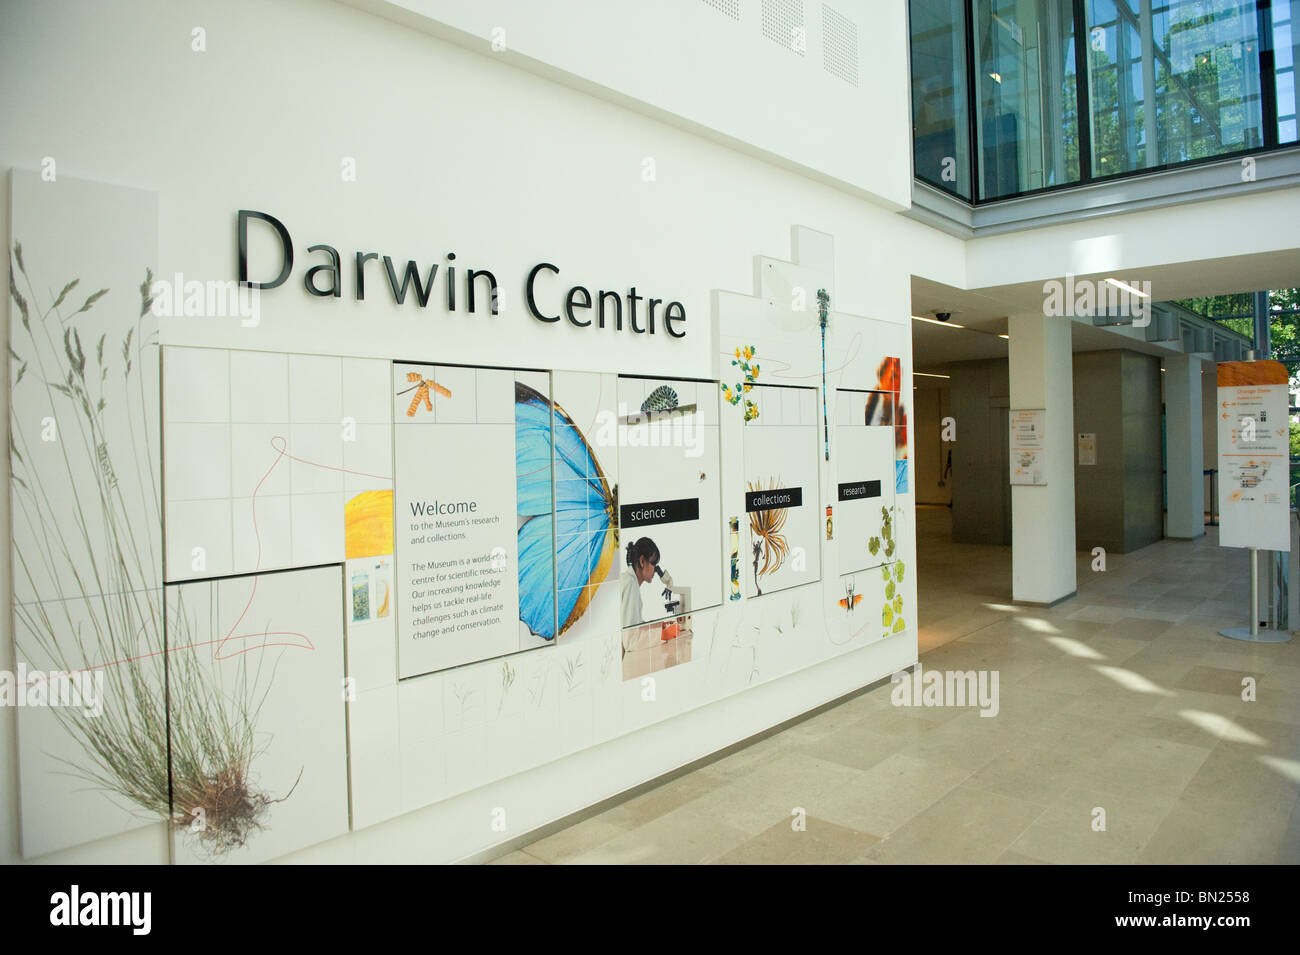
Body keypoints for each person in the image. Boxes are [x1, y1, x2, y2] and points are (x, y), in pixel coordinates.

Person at [620, 537, 659, 629]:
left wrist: (656, 626)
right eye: (653, 563)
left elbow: (634, 623)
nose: (655, 570)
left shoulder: (627, 579)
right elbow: (630, 634)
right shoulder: (630, 584)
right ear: (642, 561)